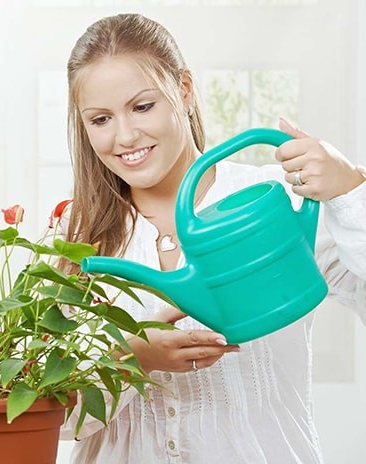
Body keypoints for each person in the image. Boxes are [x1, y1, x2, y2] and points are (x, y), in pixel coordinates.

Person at [57, 13, 366, 463]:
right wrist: (130, 360)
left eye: (143, 107)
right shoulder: (74, 235)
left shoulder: (272, 203)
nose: (124, 136)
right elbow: (53, 417)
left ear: (184, 90)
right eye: (101, 119)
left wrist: (351, 190)